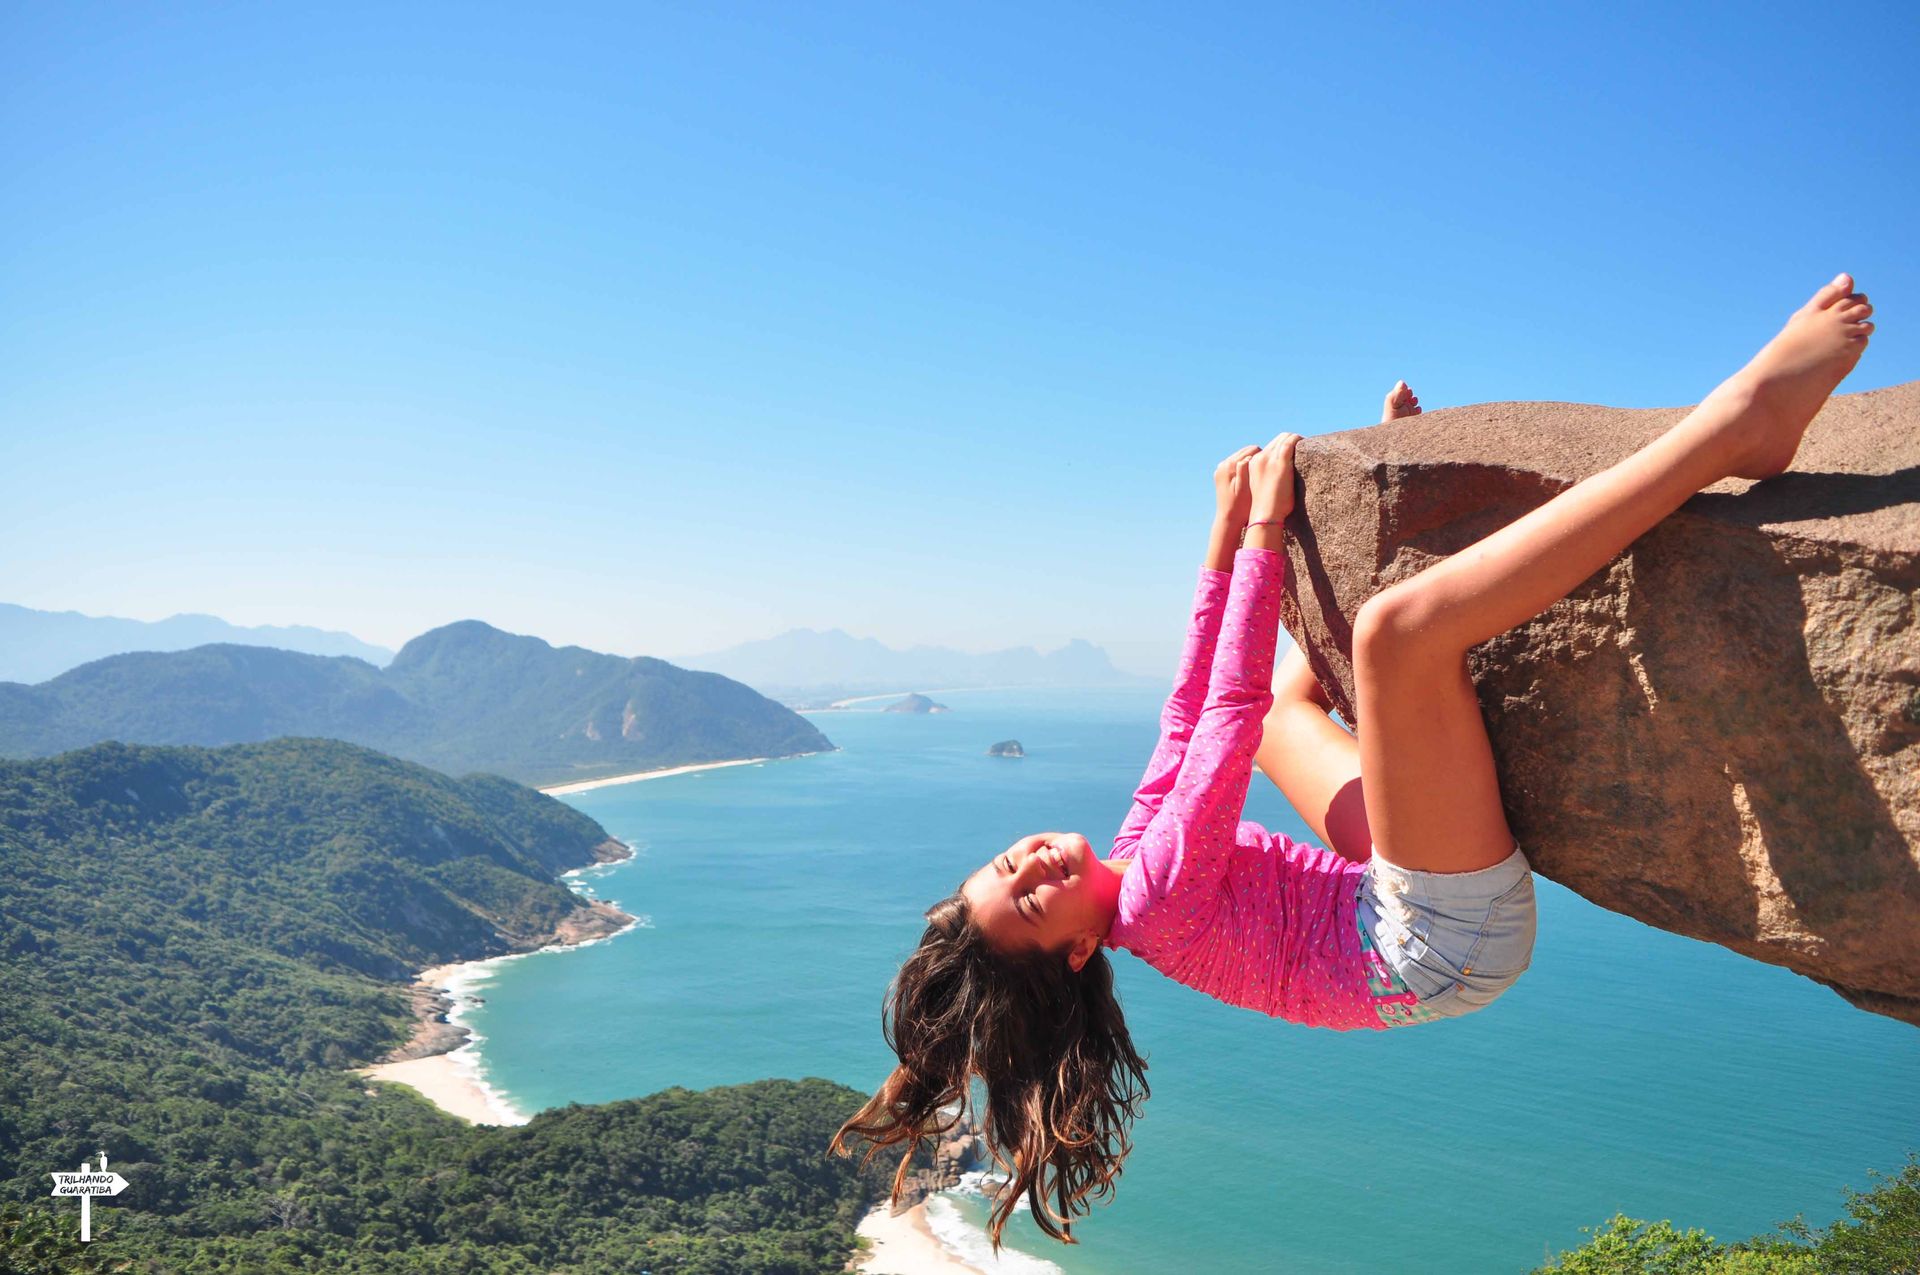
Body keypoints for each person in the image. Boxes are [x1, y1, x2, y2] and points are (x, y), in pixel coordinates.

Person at [831, 276, 1875, 1250]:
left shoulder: (1135, 858)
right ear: (1070, 955)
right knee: (1395, 638)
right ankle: (1736, 429)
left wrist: (1222, 529)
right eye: (1030, 904)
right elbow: (1222, 720)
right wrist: (1266, 538)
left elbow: (1192, 702)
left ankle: (1408, 533)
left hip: (1392, 894)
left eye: (1009, 864)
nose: (1032, 869)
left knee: (1300, 703)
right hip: (1439, 943)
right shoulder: (1154, 903)